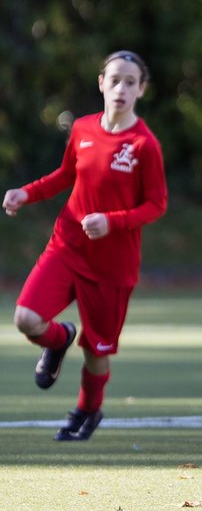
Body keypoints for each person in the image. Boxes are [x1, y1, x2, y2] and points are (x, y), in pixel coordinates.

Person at [4, 50, 168, 442]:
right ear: (101, 84)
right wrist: (25, 193)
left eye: (131, 82)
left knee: (97, 351)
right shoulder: (82, 129)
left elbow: (156, 205)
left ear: (141, 90)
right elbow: (65, 175)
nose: (121, 88)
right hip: (67, 247)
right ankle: (59, 340)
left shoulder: (144, 145)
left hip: (113, 267)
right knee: (26, 318)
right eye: (114, 80)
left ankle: (87, 411)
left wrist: (112, 222)